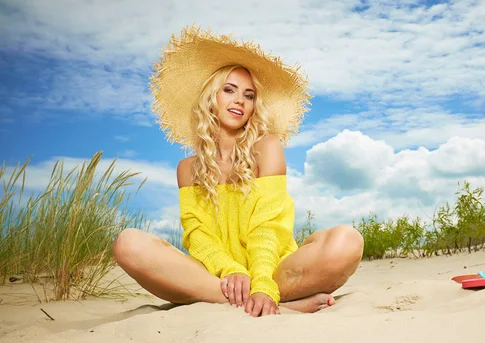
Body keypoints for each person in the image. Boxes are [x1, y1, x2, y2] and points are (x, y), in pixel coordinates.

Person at [112, 26, 364, 317]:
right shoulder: (187, 169)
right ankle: (281, 304)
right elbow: (199, 236)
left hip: (272, 269)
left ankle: (258, 298)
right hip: (216, 276)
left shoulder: (267, 147)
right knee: (128, 243)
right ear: (211, 98)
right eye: (229, 90)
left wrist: (262, 284)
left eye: (249, 95)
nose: (239, 101)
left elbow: (268, 226)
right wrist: (230, 270)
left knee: (347, 241)